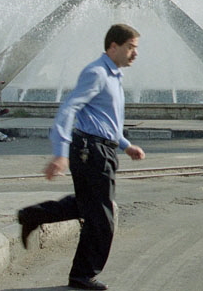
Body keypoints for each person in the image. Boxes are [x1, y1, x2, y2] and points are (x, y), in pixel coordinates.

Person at [17, 24, 146, 291]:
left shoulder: (114, 76)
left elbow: (106, 121)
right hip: (91, 151)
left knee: (88, 204)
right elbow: (69, 109)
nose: (135, 53)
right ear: (113, 46)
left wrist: (125, 145)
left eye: (136, 48)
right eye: (131, 47)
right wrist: (60, 152)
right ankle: (82, 276)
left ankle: (31, 215)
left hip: (103, 149)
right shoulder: (97, 73)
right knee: (102, 216)